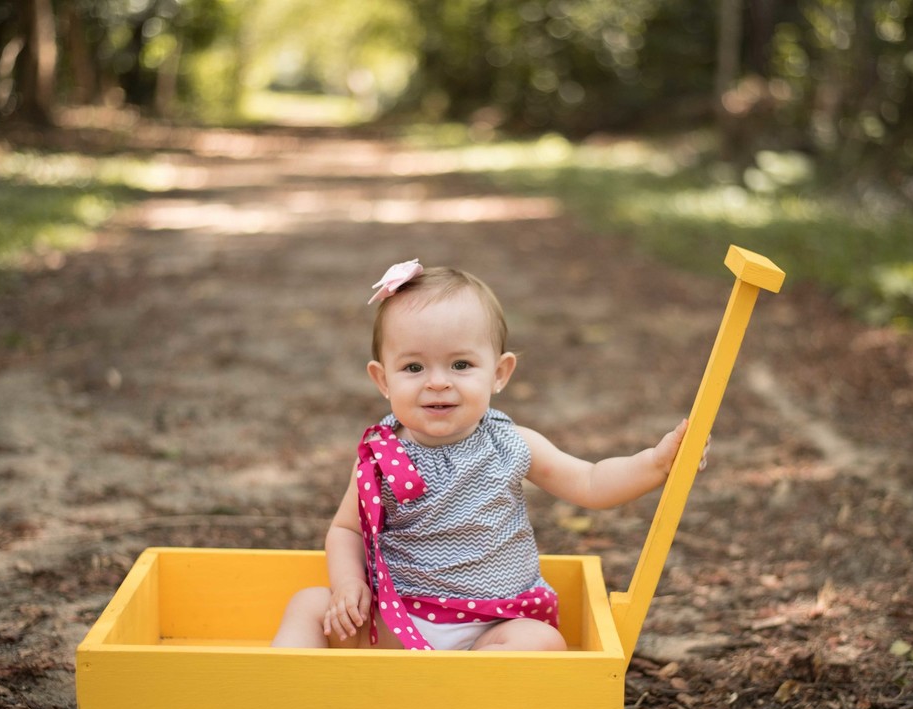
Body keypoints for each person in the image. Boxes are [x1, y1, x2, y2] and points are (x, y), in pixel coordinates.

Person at [271, 259, 690, 652]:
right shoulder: (382, 454)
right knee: (309, 604)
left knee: (542, 643)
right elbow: (348, 530)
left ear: (499, 373)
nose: (437, 383)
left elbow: (591, 482)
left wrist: (655, 463)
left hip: (493, 626)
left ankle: (465, 689)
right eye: (414, 368)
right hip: (399, 618)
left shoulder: (510, 444)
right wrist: (348, 585)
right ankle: (281, 696)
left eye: (461, 364)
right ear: (383, 379)